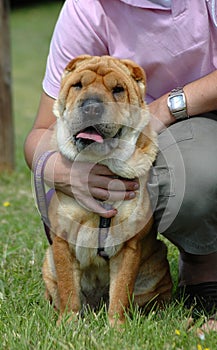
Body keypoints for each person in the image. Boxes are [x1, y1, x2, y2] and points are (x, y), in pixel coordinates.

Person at [24, 0, 217, 330]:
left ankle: (203, 265)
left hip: (189, 121)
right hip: (120, 141)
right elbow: (40, 133)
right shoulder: (86, 8)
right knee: (66, 191)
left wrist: (162, 110)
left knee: (197, 175)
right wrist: (64, 173)